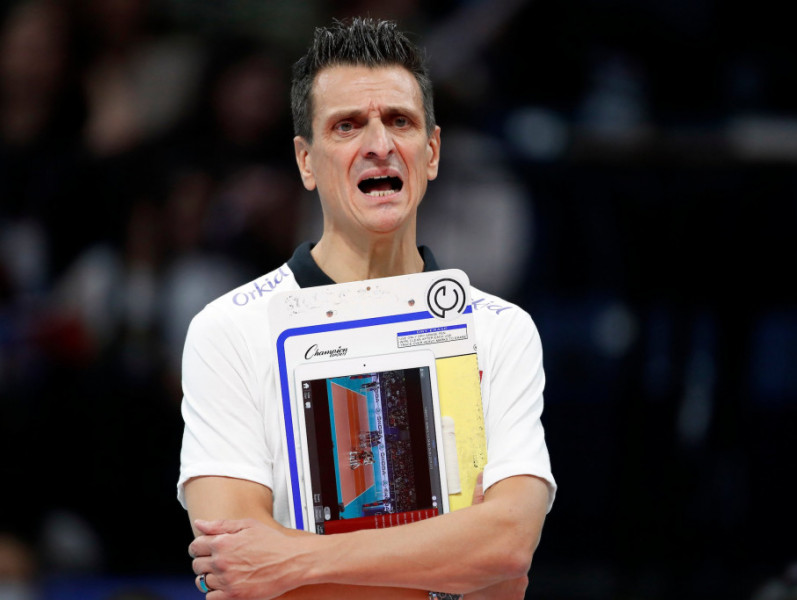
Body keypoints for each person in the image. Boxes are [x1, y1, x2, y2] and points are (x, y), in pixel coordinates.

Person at [178, 17, 556, 599]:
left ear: (431, 152)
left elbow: (505, 546)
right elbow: (236, 570)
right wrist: (454, 556)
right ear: (306, 161)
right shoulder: (227, 330)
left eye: (400, 121)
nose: (379, 145)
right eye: (347, 125)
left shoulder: (503, 331)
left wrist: (290, 560)